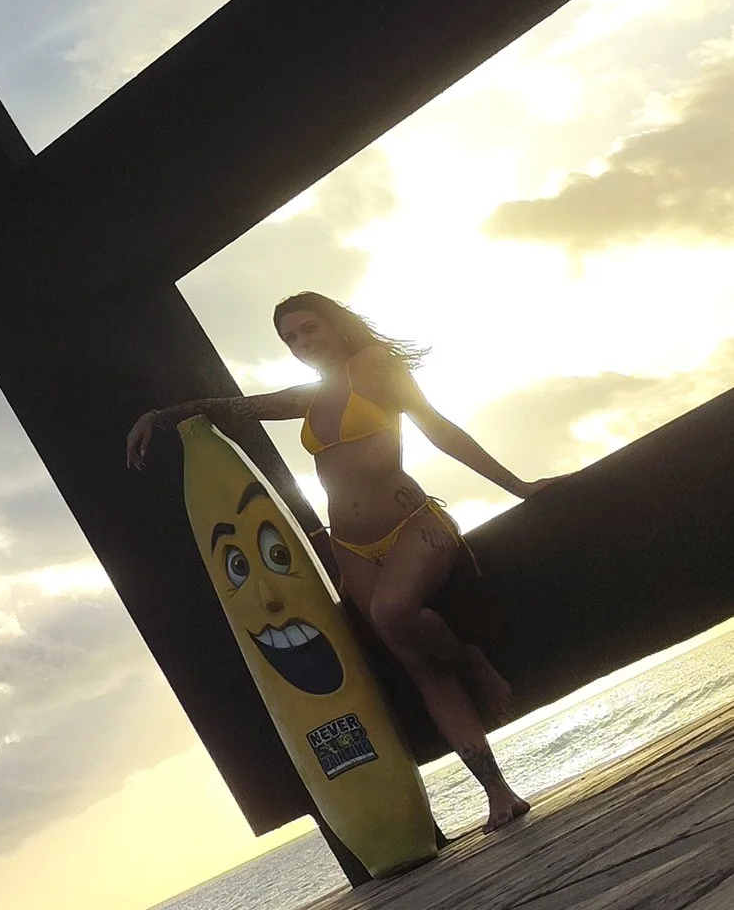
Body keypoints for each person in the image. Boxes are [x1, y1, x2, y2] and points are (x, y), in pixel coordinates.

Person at [124, 291, 552, 830]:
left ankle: (467, 657)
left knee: (393, 613)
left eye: (309, 329)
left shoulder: (373, 367)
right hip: (352, 548)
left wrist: (514, 485)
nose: (301, 343)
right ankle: (498, 794)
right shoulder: (312, 397)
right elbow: (234, 408)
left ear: (336, 325)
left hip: (411, 526)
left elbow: (437, 427)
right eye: (290, 339)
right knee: (419, 668)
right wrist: (158, 417)